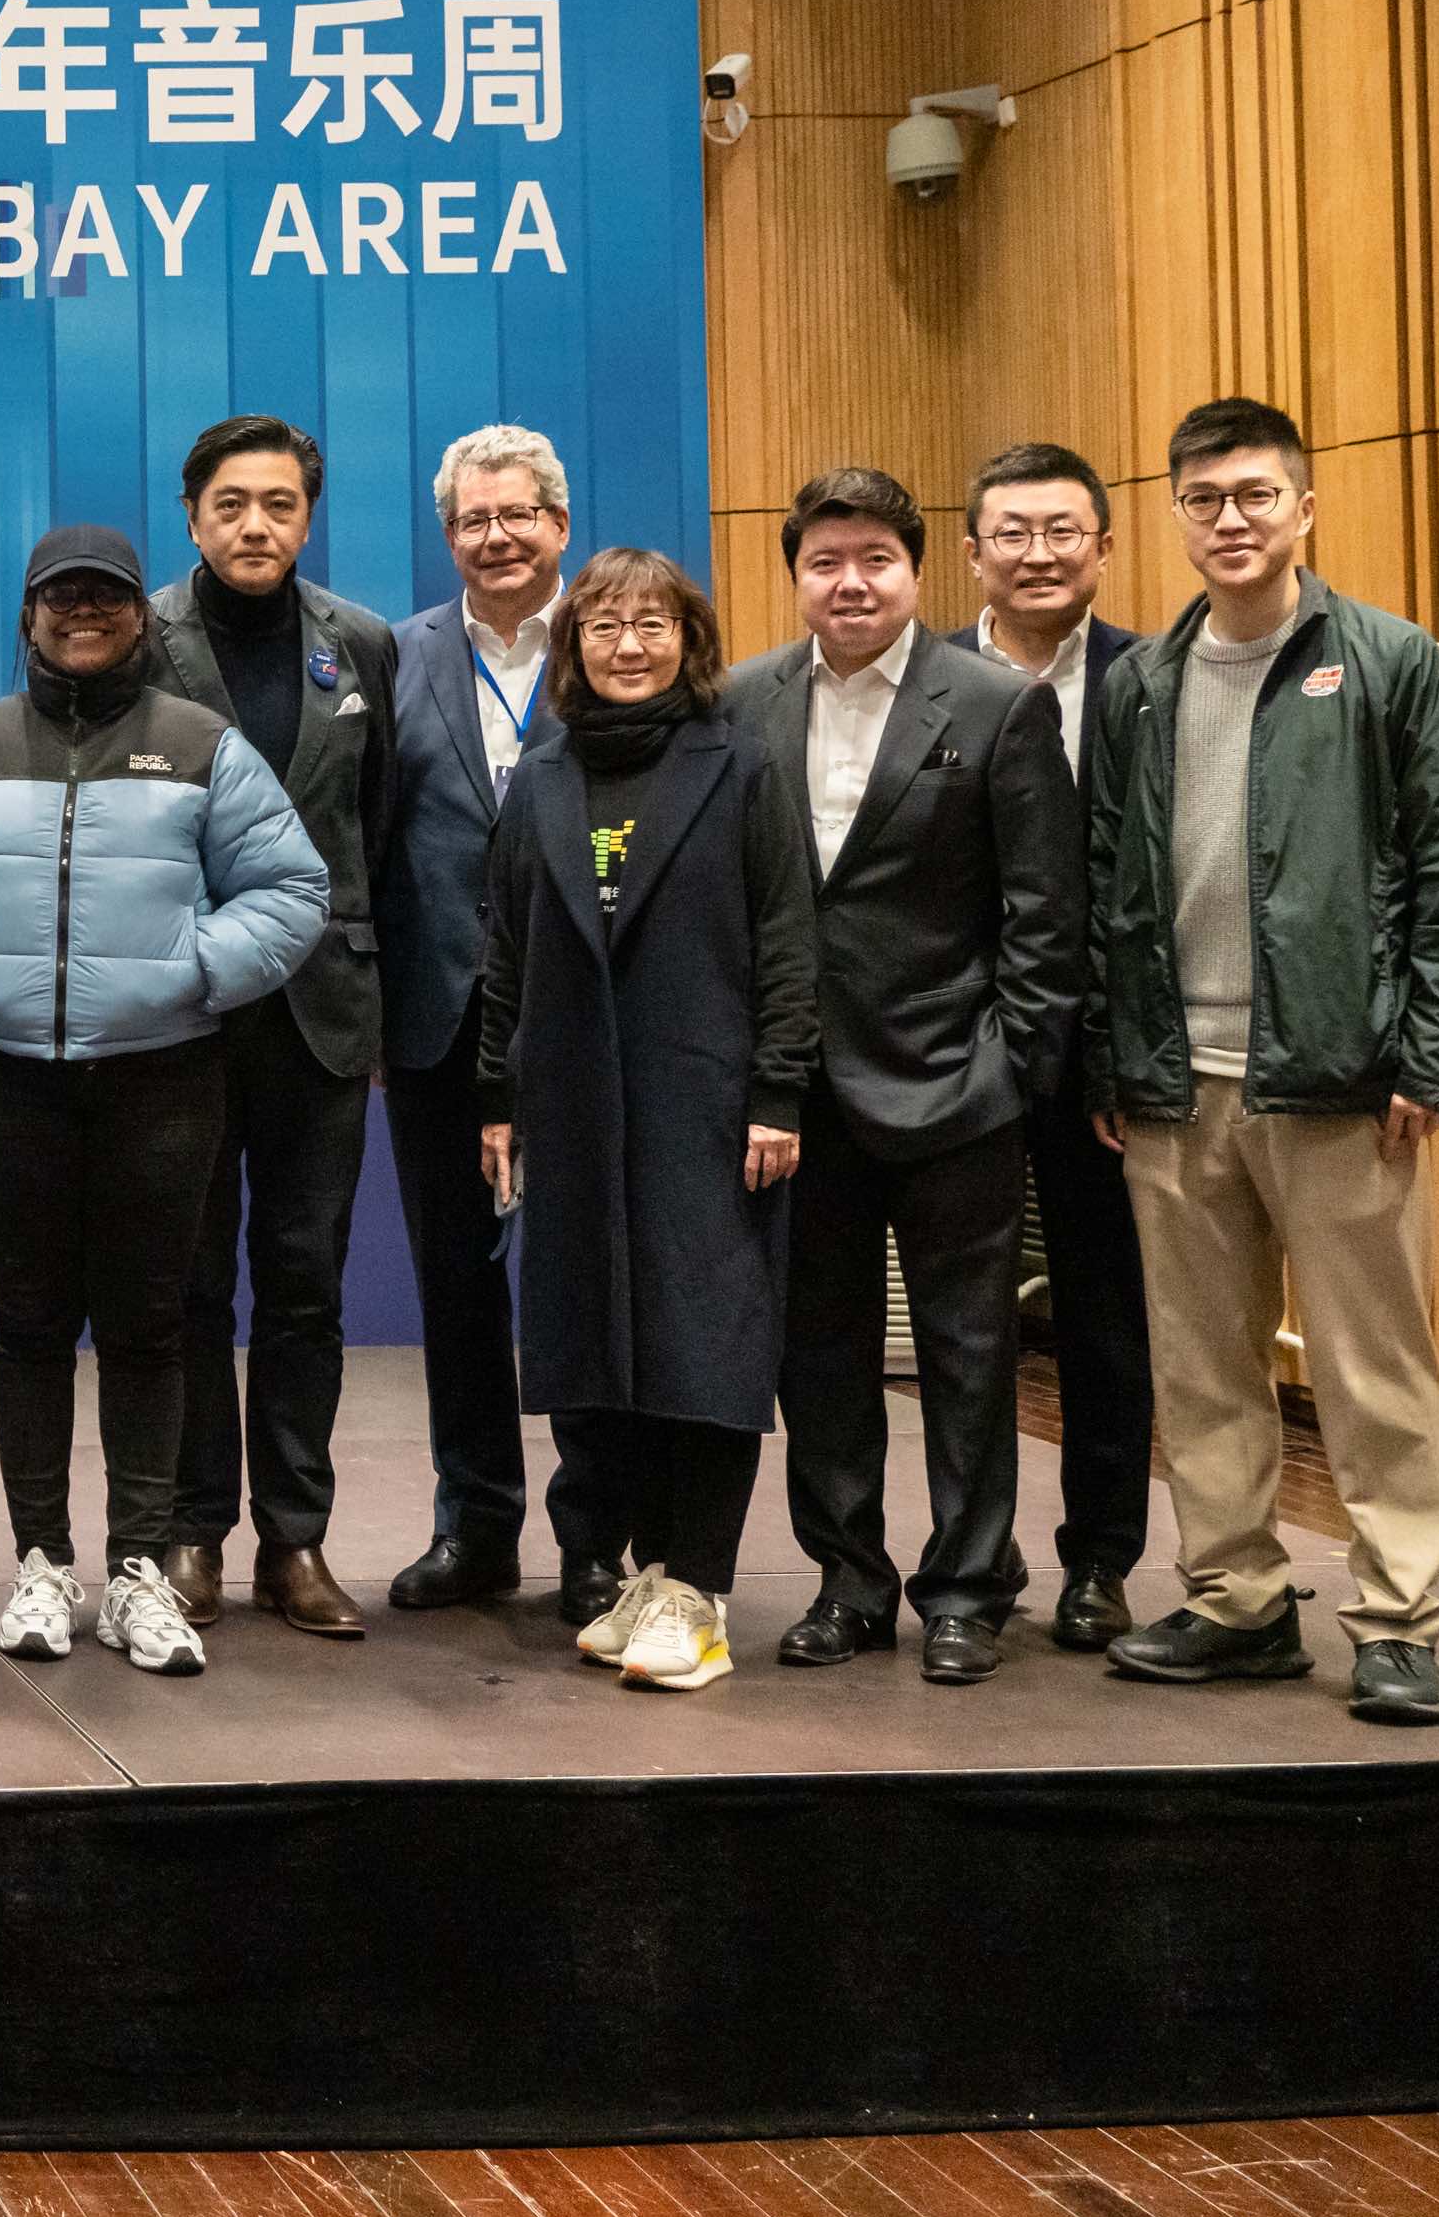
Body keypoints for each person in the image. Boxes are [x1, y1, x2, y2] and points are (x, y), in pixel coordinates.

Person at [1087, 400, 1439, 1727]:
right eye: (1203, 498)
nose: (1229, 520)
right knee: (1202, 1368)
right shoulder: (1141, 684)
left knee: (1373, 1368)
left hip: (1342, 1081)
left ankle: (1396, 1620)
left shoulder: (1389, 663)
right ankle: (1237, 1602)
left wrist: (1433, 1058)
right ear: (1175, 514)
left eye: (1254, 495)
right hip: (1176, 1085)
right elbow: (1106, 881)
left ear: (1304, 509)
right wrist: (1112, 1058)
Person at [0, 526, 323, 1680]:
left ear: (136, 618)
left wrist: (192, 969)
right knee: (27, 1322)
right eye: (59, 597)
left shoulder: (199, 746)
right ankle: (38, 1561)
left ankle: (136, 1572)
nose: (82, 613)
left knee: (146, 1326)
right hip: (4, 1079)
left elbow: (289, 886)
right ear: (27, 616)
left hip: (162, 1079)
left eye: (105, 598)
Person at [730, 466, 1082, 1683]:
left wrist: (1011, 1070)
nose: (849, 582)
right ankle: (847, 1582)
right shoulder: (741, 703)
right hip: (799, 1097)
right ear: (794, 577)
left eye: (873, 559)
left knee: (966, 1356)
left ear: (916, 572)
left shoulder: (993, 704)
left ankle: (967, 1589)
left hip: (954, 1087)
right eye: (823, 561)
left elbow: (1044, 914)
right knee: (817, 1354)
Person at [473, 549, 820, 1697]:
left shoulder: (740, 764)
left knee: (703, 1346)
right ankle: (643, 1573)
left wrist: (776, 1092)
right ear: (572, 646)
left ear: (689, 639)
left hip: (706, 1106)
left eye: (651, 624)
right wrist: (496, 1097)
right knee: (594, 1348)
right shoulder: (541, 776)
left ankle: (696, 1591)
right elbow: (505, 950)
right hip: (571, 1106)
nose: (627, 646)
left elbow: (786, 939)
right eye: (603, 626)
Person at [142, 416, 404, 1639]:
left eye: (280, 504)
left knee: (304, 1286)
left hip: (321, 1013)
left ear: (307, 515)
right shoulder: (138, 635)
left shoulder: (361, 644)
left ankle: (294, 1541)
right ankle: (192, 1531)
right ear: (191, 515)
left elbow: (380, 830)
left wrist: (385, 1004)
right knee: (188, 1285)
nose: (256, 526)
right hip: (180, 1012)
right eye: (231, 504)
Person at [374, 423, 580, 1618]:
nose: (494, 538)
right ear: (446, 535)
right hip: (437, 1024)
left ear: (558, 523)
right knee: (453, 1289)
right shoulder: (392, 658)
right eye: (470, 520)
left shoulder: (618, 639)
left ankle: (594, 1534)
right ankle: (474, 1525)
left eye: (515, 516)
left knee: (583, 1285)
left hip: (585, 1021)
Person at [958, 440, 1151, 1651]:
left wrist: (1123, 1049)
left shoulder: (1155, 679)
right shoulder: (923, 679)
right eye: (1011, 533)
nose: (1036, 554)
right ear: (971, 551)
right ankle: (971, 1562)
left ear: (1102, 545)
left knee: (1104, 1315)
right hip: (957, 1048)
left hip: (1107, 1060)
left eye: (1060, 530)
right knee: (966, 1321)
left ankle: (1100, 1564)